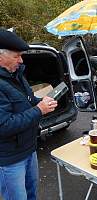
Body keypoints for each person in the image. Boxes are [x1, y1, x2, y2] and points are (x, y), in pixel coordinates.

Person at [0, 28, 57, 200]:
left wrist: (43, 101)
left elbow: (28, 99)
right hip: (10, 159)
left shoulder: (16, 74)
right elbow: (4, 126)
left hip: (29, 149)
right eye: (16, 56)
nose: (21, 60)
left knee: (31, 194)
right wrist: (39, 109)